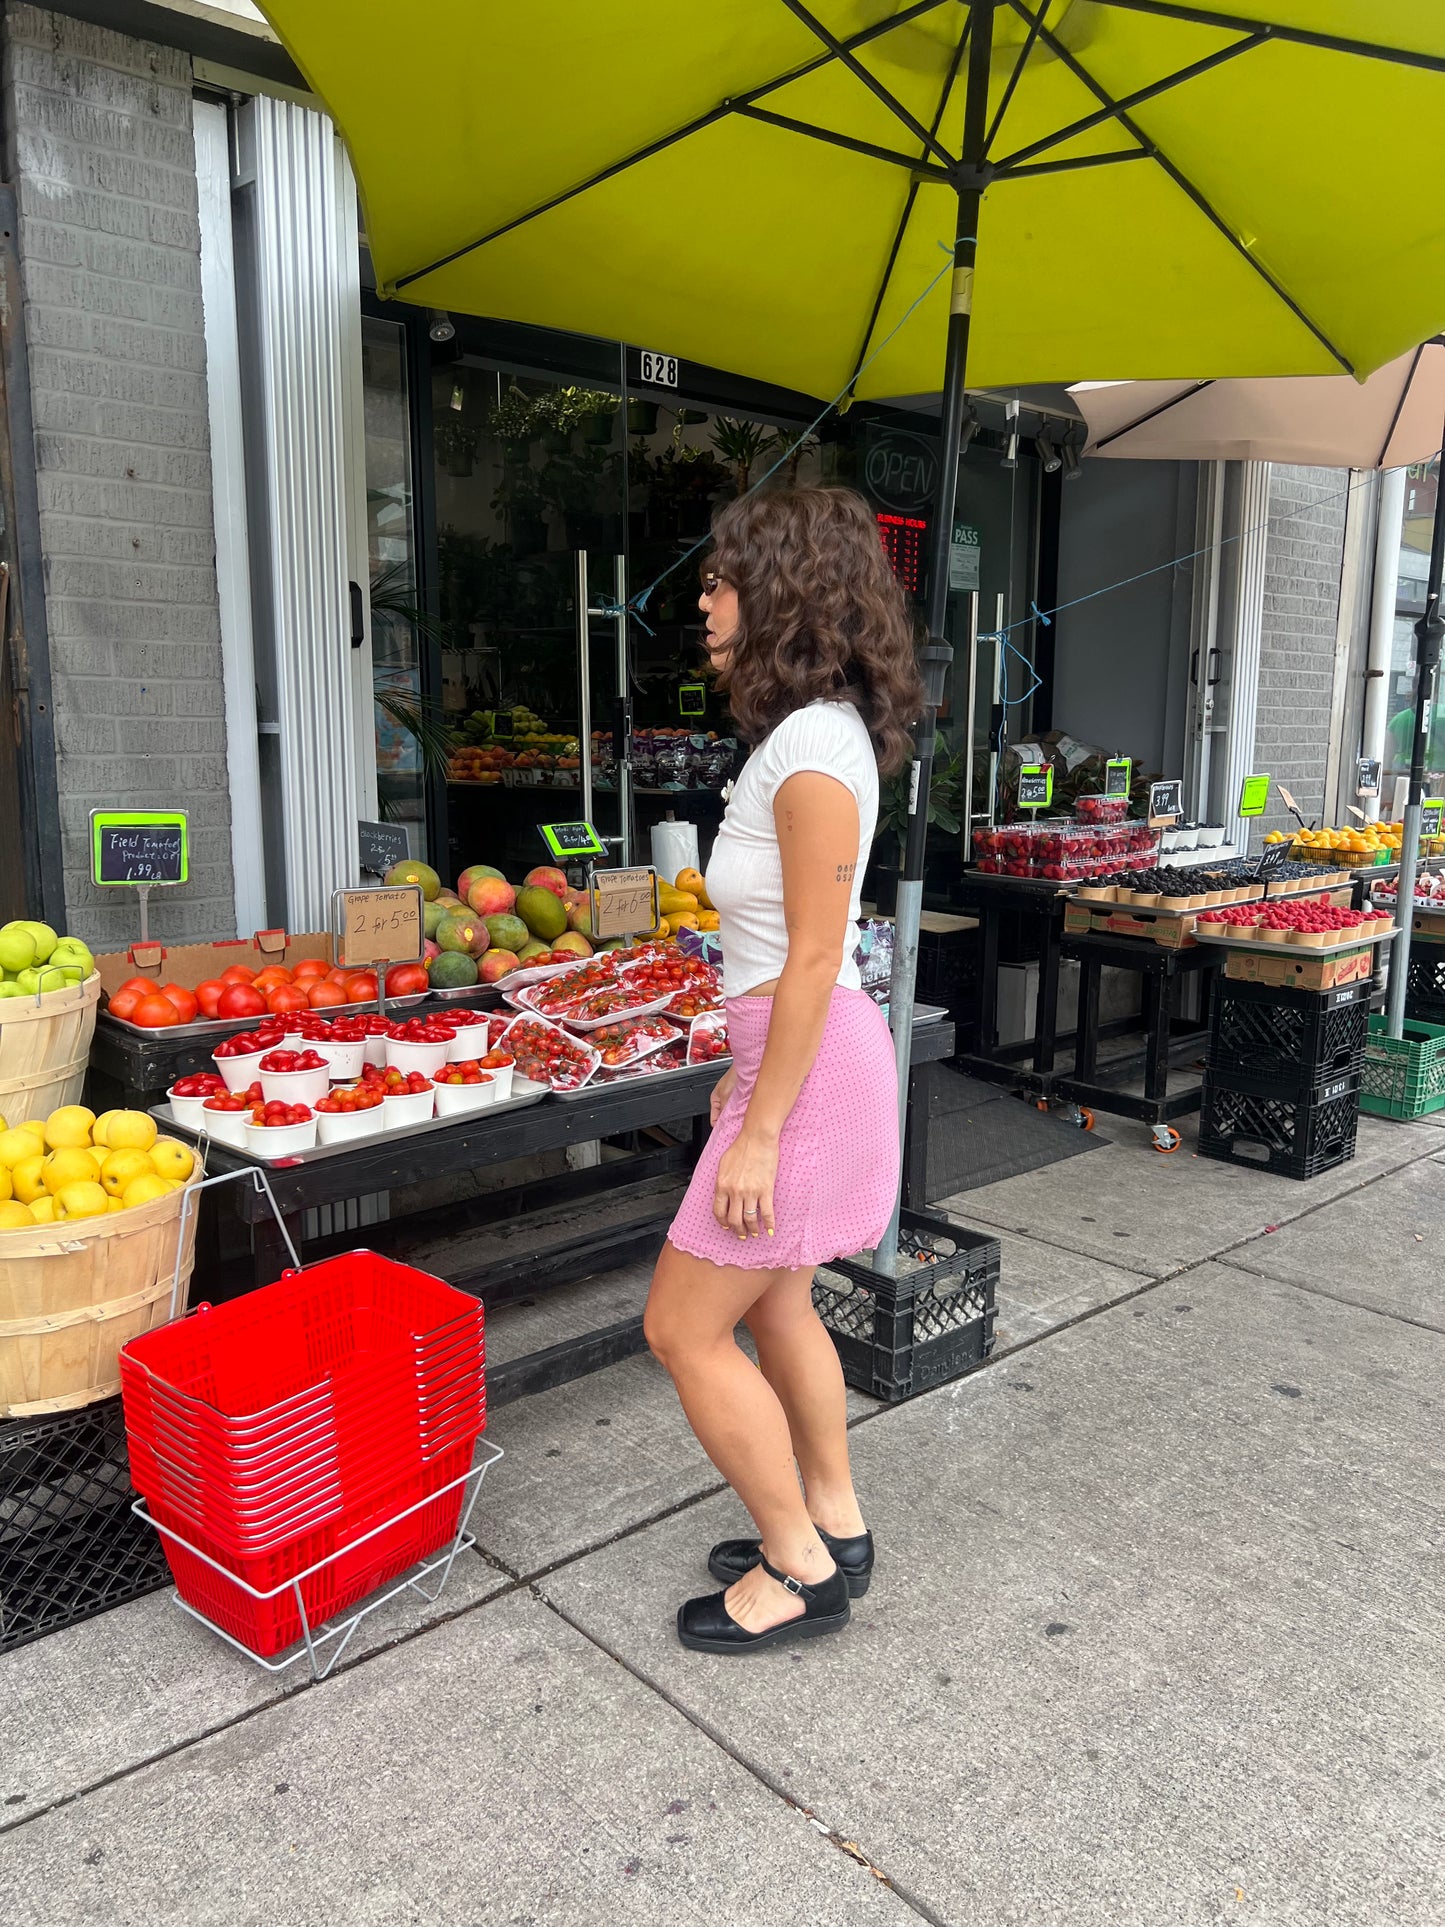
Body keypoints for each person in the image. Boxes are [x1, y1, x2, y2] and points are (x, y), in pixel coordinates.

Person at [643, 486, 923, 1655]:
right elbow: (786, 961)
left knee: (680, 1326)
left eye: (718, 579)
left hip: (810, 1076)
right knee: (778, 1298)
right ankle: (834, 1521)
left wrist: (759, 1125)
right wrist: (743, 1077)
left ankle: (798, 1567)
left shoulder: (811, 745)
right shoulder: (813, 733)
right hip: (796, 1059)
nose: (704, 601)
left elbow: (814, 951)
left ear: (782, 588)